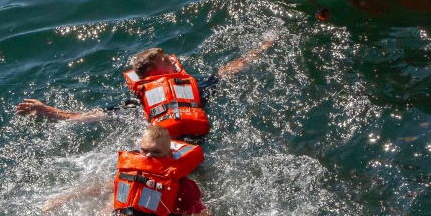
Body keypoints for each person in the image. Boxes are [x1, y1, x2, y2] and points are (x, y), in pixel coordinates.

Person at [16, 41, 274, 137]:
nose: (173, 61)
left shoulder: (143, 106)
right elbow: (88, 117)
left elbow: (228, 70)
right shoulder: (143, 104)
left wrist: (260, 49)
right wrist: (47, 110)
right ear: (153, 72)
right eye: (166, 61)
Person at [47, 124, 213, 216]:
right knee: (108, 213)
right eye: (145, 150)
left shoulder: (186, 186)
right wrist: (66, 198)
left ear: (169, 154)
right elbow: (104, 187)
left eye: (156, 152)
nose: (148, 157)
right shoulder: (132, 173)